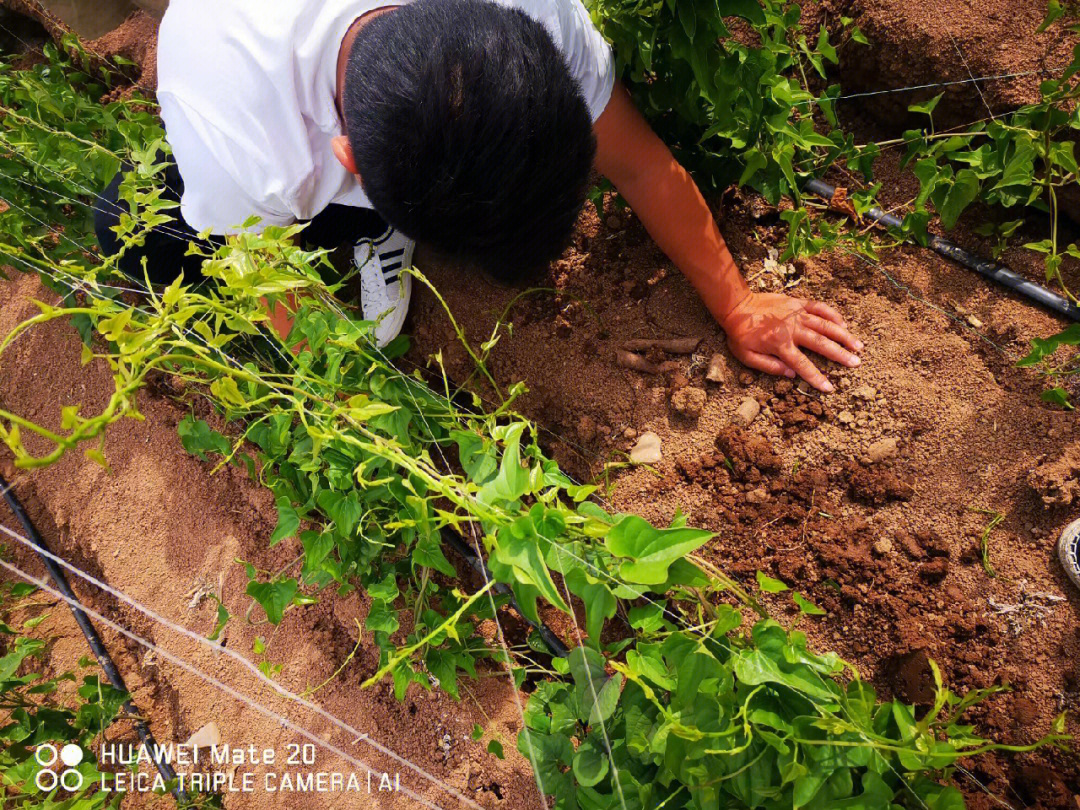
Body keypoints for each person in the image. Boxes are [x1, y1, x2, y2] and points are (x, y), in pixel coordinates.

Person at [94, 0, 863, 392]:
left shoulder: (537, 17)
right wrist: (373, 417)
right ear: (347, 158)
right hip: (246, 106)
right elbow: (272, 287)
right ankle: (375, 234)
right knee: (133, 231)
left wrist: (738, 305)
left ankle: (399, 224)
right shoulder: (239, 142)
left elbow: (641, 165)